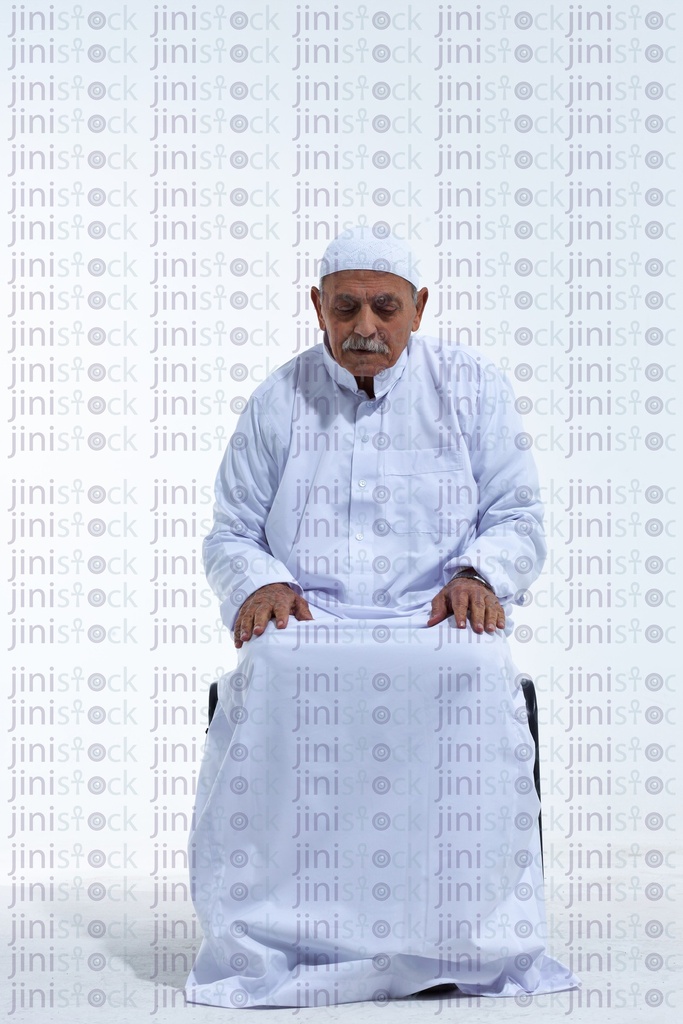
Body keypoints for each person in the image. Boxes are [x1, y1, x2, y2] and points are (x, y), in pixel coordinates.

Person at [185, 227, 579, 1009]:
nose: (364, 327)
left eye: (385, 308)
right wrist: (261, 582)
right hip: (313, 618)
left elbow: (518, 515)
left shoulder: (472, 389)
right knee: (274, 666)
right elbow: (231, 530)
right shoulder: (278, 398)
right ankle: (283, 934)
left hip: (432, 616)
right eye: (346, 308)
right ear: (317, 307)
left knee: (473, 668)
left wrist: (479, 574)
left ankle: (462, 932)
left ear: (418, 308)